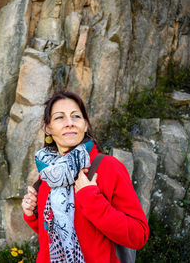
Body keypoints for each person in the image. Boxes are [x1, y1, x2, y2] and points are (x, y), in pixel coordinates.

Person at [22, 91, 149, 263]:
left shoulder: (108, 167)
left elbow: (138, 235)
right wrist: (33, 214)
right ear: (47, 128)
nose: (69, 123)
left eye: (76, 116)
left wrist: (91, 199)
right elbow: (55, 234)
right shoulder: (48, 174)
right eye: (59, 117)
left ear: (85, 124)